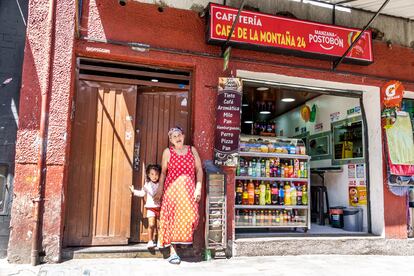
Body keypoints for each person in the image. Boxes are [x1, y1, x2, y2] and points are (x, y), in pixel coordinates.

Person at [154, 126, 203, 265]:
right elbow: (163, 172)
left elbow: (199, 170)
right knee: (172, 220)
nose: (177, 138)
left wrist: (198, 188)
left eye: (179, 135)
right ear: (170, 140)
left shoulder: (192, 150)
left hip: (188, 193)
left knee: (191, 217)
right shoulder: (168, 152)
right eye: (174, 136)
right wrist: (160, 189)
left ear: (183, 135)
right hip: (172, 192)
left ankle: (181, 242)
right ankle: (173, 252)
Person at [130, 164, 161, 249]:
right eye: (152, 174)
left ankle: (159, 241)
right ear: (148, 174)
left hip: (160, 207)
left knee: (159, 226)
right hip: (151, 207)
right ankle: (150, 241)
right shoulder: (147, 185)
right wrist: (134, 191)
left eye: (156, 174)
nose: (154, 176)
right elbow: (142, 193)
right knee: (151, 224)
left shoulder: (161, 184)